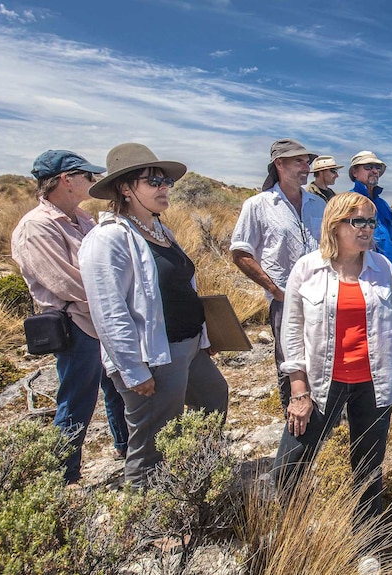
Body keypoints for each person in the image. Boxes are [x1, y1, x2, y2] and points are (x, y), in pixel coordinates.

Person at [79, 143, 228, 487]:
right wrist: (133, 370)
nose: (164, 187)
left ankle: (195, 477)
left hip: (188, 346)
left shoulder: (163, 232)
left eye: (165, 181)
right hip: (153, 356)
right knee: (152, 442)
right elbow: (108, 311)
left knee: (213, 397)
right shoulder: (109, 239)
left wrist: (205, 339)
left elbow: (181, 290)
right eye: (153, 181)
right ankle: (148, 520)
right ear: (125, 188)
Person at [272, 192, 392, 525]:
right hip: (322, 383)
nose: (367, 229)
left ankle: (366, 540)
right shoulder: (307, 269)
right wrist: (298, 390)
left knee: (368, 467)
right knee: (290, 463)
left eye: (371, 222)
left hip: (373, 382)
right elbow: (291, 333)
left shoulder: (383, 268)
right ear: (335, 225)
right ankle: (291, 529)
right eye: (358, 221)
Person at [11, 150, 129, 485]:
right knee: (77, 400)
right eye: (87, 176)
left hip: (101, 321)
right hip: (75, 325)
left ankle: (126, 448)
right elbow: (65, 281)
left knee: (117, 390)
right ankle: (62, 477)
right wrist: (116, 293)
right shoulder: (36, 227)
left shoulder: (83, 218)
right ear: (66, 179)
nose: (92, 182)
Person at [230, 139, 326, 411]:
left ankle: (323, 414)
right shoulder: (258, 205)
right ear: (279, 164)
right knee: (291, 360)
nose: (306, 167)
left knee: (322, 355)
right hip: (285, 299)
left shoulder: (317, 204)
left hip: (322, 294)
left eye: (307, 161)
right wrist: (274, 290)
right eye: (299, 161)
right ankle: (294, 418)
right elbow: (240, 253)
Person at [348, 150, 392, 369]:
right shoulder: (349, 202)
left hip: (391, 275)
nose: (374, 171)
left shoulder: (383, 205)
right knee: (372, 326)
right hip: (365, 276)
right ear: (355, 172)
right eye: (368, 167)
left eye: (377, 167)